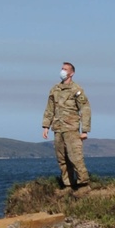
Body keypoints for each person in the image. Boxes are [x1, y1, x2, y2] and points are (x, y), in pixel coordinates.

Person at [42, 62, 91, 190]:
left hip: (71, 129)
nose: (62, 71)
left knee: (75, 157)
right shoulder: (55, 89)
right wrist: (46, 126)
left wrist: (85, 130)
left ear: (72, 73)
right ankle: (68, 185)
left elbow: (85, 109)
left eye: (65, 69)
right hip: (58, 129)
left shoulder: (77, 90)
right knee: (62, 159)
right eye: (62, 69)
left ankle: (84, 185)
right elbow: (49, 109)